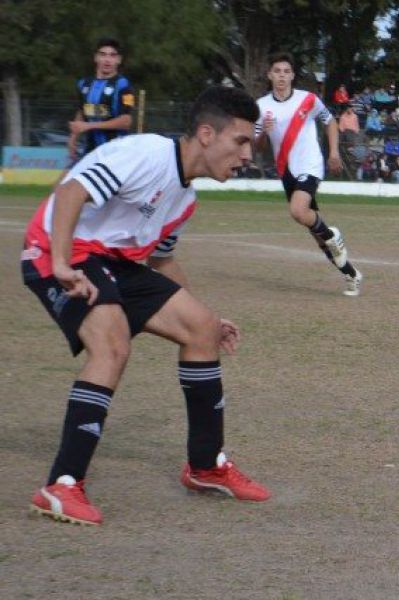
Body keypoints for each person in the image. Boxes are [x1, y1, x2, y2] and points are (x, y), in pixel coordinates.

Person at [22, 86, 271, 526]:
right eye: (241, 141)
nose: (247, 153)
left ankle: (205, 466)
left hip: (110, 260)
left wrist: (209, 315)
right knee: (112, 343)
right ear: (207, 134)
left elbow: (161, 260)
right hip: (56, 252)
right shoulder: (146, 153)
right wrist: (60, 262)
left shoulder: (185, 197)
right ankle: (61, 486)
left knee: (201, 329)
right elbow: (71, 192)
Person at [255, 52, 362, 296]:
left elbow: (330, 122)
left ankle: (333, 235)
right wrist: (263, 133)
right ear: (270, 75)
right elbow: (257, 147)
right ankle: (351, 274)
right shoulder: (261, 106)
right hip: (286, 171)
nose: (281, 75)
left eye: (286, 71)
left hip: (310, 165)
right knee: (315, 232)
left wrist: (333, 152)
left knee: (297, 210)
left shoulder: (308, 100)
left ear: (292, 75)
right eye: (277, 71)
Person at [68, 38, 135, 163]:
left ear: (118, 60)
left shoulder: (124, 85)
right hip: (90, 151)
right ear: (96, 58)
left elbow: (126, 121)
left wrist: (88, 126)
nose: (107, 60)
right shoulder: (83, 84)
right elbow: (82, 111)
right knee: (63, 182)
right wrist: (73, 137)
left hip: (116, 152)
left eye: (112, 55)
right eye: (103, 54)